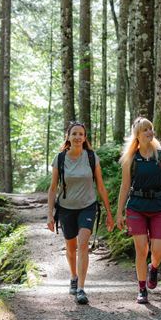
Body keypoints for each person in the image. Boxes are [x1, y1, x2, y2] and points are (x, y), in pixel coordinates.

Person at [47, 122, 114, 305]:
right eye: (74, 133)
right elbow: (53, 188)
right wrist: (50, 214)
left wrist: (109, 213)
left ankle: (81, 289)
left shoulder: (91, 157)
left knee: (83, 244)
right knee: (71, 248)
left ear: (85, 138)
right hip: (66, 208)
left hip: (88, 206)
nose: (77, 137)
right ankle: (73, 276)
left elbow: (100, 186)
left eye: (81, 134)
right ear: (68, 137)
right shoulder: (59, 159)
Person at [115, 117, 161, 304]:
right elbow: (125, 186)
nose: (149, 132)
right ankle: (142, 288)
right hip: (136, 207)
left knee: (157, 251)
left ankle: (154, 267)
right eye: (145, 130)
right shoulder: (130, 159)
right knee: (141, 249)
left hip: (160, 206)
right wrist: (119, 212)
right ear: (137, 134)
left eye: (150, 129)